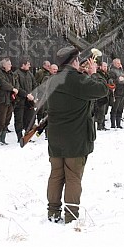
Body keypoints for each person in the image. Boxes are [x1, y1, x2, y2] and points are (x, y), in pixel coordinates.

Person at [45, 46, 108, 223]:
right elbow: (102, 90)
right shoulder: (78, 81)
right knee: (73, 177)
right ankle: (71, 215)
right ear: (74, 61)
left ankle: (53, 212)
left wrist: (84, 75)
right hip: (76, 137)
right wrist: (94, 73)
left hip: (56, 137)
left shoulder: (53, 80)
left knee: (56, 175)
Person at [0, 58, 19, 145]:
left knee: (7, 120)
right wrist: (12, 88)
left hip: (10, 100)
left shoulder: (12, 74)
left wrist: (15, 89)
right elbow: (3, 83)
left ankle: (3, 139)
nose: (10, 65)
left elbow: (16, 83)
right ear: (4, 65)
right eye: (9, 64)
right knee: (1, 120)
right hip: (2, 100)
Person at [13, 58, 36, 142]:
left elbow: (34, 84)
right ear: (23, 65)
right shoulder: (16, 74)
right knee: (19, 119)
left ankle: (27, 136)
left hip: (29, 102)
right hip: (20, 101)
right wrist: (26, 95)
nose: (29, 66)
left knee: (30, 120)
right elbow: (17, 87)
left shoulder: (30, 74)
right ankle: (19, 137)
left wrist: (33, 95)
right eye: (28, 64)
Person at [92, 62, 111, 131]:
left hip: (106, 94)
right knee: (100, 111)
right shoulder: (98, 74)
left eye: (106, 66)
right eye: (104, 66)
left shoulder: (107, 74)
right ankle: (100, 125)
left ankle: (102, 124)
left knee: (104, 111)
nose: (105, 68)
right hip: (100, 96)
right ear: (100, 67)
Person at [108, 58, 124, 129]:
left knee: (121, 109)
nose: (119, 64)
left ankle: (118, 123)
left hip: (122, 91)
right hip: (116, 92)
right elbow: (111, 81)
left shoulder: (121, 70)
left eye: (120, 63)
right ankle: (113, 124)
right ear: (114, 63)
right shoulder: (112, 71)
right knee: (115, 108)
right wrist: (118, 80)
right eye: (118, 63)